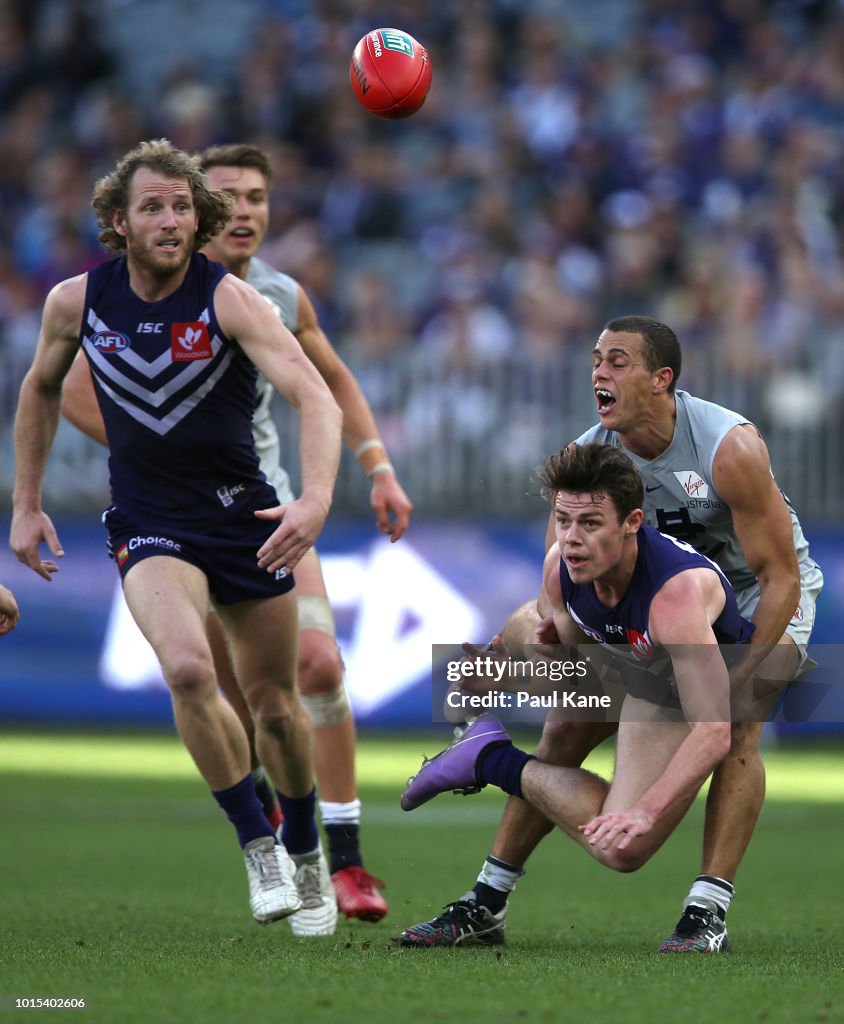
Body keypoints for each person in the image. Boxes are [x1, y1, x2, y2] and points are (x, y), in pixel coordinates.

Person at [60, 142, 412, 926]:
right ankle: (270, 848)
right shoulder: (130, 291)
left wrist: (377, 466)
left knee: (309, 669)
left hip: (271, 509)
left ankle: (340, 860)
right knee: (217, 689)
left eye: (256, 196)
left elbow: (331, 385)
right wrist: (150, 450)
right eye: (228, 196)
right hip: (169, 519)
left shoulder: (277, 294)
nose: (245, 210)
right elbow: (66, 388)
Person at [399, 315, 823, 952]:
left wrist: (741, 678)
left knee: (738, 725)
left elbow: (780, 574)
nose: (599, 371)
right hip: (656, 608)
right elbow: (562, 589)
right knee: (567, 723)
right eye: (596, 359)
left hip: (755, 594)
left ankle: (706, 908)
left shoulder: (726, 447)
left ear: (662, 379)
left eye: (618, 361)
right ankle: (485, 902)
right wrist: (546, 657)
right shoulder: (588, 458)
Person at [10, 139, 344, 933]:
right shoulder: (75, 303)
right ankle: (257, 845)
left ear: (200, 220)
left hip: (245, 520)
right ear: (118, 223)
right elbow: (39, 388)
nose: (169, 220)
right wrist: (26, 502)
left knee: (275, 709)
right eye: (152, 207)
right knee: (191, 671)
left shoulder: (230, 299)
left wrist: (317, 500)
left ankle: (305, 849)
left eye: (182, 207)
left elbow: (315, 395)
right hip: (150, 522)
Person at [400, 442, 755, 949]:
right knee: (535, 640)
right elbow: (582, 673)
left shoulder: (675, 598)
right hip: (632, 668)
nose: (571, 539)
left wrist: (645, 810)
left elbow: (715, 732)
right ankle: (486, 896)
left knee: (625, 849)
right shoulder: (560, 569)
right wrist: (506, 677)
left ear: (632, 522)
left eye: (590, 523)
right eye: (563, 520)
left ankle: (488, 757)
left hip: (676, 692)